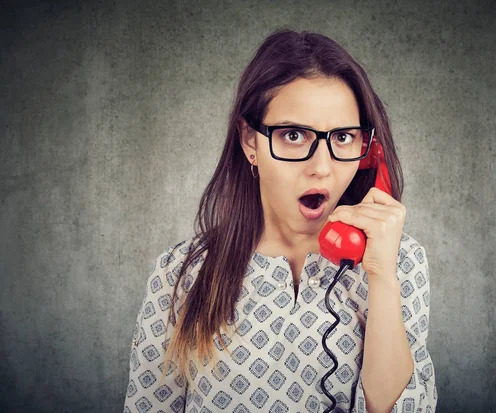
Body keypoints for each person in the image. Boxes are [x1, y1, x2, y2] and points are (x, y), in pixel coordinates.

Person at [123, 28, 437, 413]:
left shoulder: (398, 262)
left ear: (366, 149)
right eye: (293, 135)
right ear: (250, 141)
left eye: (342, 138)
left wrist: (382, 277)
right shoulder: (179, 274)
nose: (321, 168)